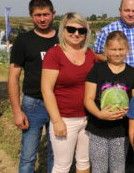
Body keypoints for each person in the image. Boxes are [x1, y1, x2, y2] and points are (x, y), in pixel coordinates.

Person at [41, 12, 96, 173]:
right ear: (62, 30)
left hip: (87, 118)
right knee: (62, 166)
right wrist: (57, 120)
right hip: (65, 119)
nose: (76, 34)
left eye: (81, 30)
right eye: (71, 29)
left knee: (84, 163)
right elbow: (46, 89)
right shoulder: (54, 54)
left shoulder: (90, 54)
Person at [8, 0, 57, 173]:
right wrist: (16, 111)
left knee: (57, 154)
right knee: (28, 156)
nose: (42, 19)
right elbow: (13, 77)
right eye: (37, 15)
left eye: (46, 14)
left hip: (59, 104)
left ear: (53, 14)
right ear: (31, 16)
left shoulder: (63, 38)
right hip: (33, 104)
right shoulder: (23, 41)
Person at [84, 31, 134, 173]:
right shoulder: (97, 70)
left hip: (121, 131)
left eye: (121, 49)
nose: (117, 53)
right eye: (113, 49)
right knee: (99, 168)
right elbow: (88, 99)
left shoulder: (132, 73)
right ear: (106, 50)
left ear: (127, 49)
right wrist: (99, 114)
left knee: (118, 169)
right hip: (98, 129)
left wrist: (129, 111)